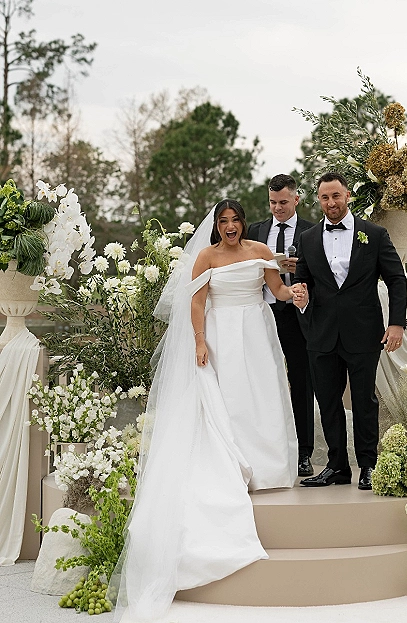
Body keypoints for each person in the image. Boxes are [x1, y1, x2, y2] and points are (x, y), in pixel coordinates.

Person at [111, 200, 305, 623]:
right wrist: (200, 340)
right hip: (220, 333)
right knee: (229, 401)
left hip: (256, 332)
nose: (231, 227)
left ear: (242, 223)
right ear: (216, 226)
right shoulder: (206, 256)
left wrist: (295, 292)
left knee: (265, 399)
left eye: (235, 220)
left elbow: (277, 291)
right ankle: (233, 464)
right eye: (224, 222)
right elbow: (196, 303)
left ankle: (270, 468)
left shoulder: (260, 252)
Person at [293, 172, 407, 491]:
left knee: (364, 401)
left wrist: (396, 323)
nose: (331, 203)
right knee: (327, 401)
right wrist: (300, 297)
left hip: (364, 332)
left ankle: (368, 466)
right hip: (321, 334)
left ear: (348, 197)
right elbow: (302, 281)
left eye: (336, 196)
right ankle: (337, 467)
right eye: (325, 197)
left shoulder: (375, 234)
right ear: (319, 200)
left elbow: (396, 280)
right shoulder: (308, 238)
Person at [248, 174, 316, 477]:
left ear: (296, 200)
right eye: (273, 202)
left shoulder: (312, 231)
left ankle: (303, 453)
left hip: (297, 315)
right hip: (262, 313)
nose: (277, 208)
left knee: (301, 383)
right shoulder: (255, 231)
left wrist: (299, 266)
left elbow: (322, 274)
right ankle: (266, 450)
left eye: (283, 202)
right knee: (262, 381)